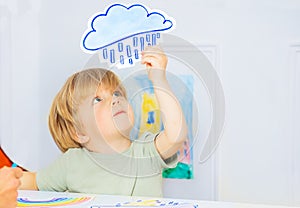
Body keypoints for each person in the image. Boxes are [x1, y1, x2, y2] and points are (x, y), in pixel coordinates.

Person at [20, 46, 187, 197]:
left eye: (117, 94)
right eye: (97, 100)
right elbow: (32, 182)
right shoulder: (71, 162)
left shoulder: (146, 151)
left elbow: (176, 134)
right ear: (79, 133)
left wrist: (159, 79)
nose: (115, 100)